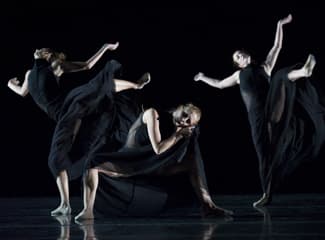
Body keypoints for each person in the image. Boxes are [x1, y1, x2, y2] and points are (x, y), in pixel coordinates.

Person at [194, 14, 325, 207]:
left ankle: (303, 72)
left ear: (247, 55)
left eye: (240, 53)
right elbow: (220, 84)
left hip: (274, 109)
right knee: (264, 156)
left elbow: (276, 46)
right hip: (257, 120)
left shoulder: (265, 67)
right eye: (236, 57)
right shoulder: (238, 75)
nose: (240, 55)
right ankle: (267, 194)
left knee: (280, 76)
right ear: (237, 64)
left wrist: (280, 25)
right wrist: (203, 77)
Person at [7, 43, 151, 216]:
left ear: (48, 54)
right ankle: (65, 204)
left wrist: (105, 47)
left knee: (99, 84)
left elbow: (87, 65)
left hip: (69, 105)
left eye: (44, 49)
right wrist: (9, 84)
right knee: (55, 160)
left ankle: (136, 85)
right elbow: (23, 92)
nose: (39, 49)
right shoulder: (29, 74)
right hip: (63, 118)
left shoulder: (56, 66)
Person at [75, 103, 234, 221]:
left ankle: (208, 206)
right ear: (179, 108)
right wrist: (178, 135)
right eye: (185, 114)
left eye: (189, 122)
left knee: (192, 162)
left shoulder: (183, 130)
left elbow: (189, 154)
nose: (184, 121)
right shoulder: (154, 114)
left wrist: (188, 134)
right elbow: (158, 148)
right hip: (130, 159)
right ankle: (88, 210)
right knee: (93, 164)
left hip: (152, 165)